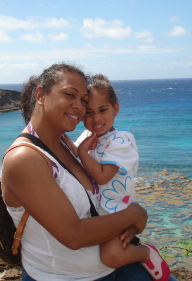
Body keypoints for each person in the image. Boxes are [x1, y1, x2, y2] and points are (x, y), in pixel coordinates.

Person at [1, 62, 178, 281]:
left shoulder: (66, 145)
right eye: (69, 95)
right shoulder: (25, 158)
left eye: (83, 100)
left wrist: (125, 226)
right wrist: (134, 214)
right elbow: (74, 235)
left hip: (114, 269)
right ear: (40, 95)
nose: (79, 106)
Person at [74, 74, 170, 281]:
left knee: (112, 256)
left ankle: (146, 253)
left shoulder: (121, 140)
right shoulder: (85, 137)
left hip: (114, 212)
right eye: (88, 112)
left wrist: (81, 152)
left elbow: (102, 176)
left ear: (115, 109)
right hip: (93, 212)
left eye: (103, 110)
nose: (96, 118)